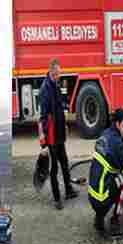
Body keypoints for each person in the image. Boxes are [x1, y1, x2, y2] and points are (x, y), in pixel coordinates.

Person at [38, 58, 78, 210]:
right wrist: (45, 142)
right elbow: (43, 118)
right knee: (54, 168)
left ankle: (68, 190)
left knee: (64, 162)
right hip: (52, 136)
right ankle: (56, 198)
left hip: (60, 133)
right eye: (57, 75)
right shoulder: (44, 90)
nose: (59, 77)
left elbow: (60, 109)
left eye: (59, 74)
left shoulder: (55, 85)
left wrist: (65, 124)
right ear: (51, 73)